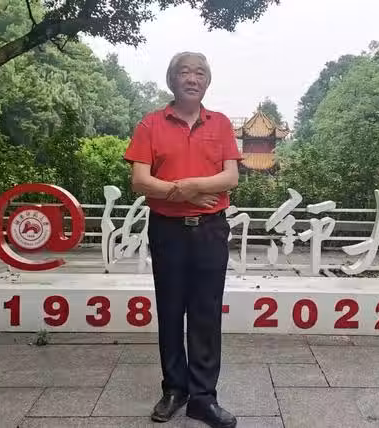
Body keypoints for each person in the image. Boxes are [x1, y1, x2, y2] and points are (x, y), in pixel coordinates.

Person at [123, 52, 241, 428]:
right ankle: (175, 389)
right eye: (185, 72)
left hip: (210, 230)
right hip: (168, 230)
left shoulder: (220, 123)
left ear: (207, 81)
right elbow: (140, 181)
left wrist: (187, 186)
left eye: (200, 73)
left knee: (206, 313)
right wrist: (184, 194)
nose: (192, 78)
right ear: (172, 80)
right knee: (171, 311)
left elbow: (231, 178)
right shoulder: (150, 124)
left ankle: (203, 398)